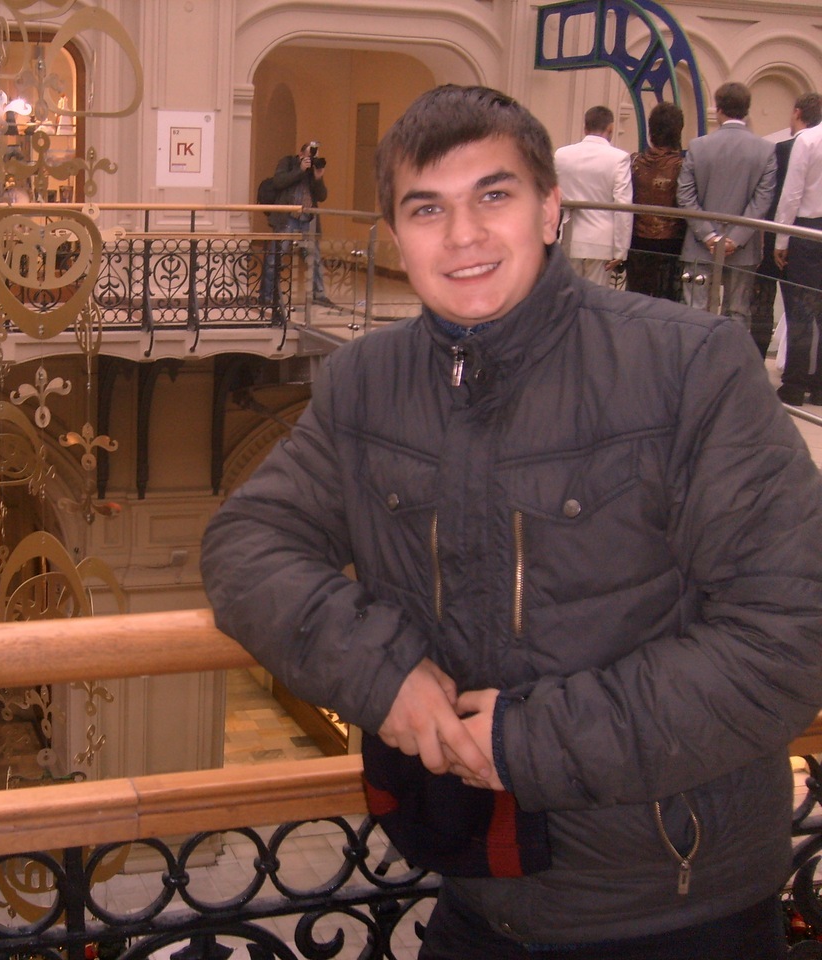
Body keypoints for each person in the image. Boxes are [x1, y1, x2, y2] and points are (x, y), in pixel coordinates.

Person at [201, 84, 822, 958]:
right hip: (478, 897)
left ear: (550, 209)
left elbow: (790, 636)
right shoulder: (365, 385)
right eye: (428, 209)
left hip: (677, 907)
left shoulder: (688, 368)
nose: (463, 236)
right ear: (396, 236)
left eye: (493, 195)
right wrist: (382, 674)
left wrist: (529, 741)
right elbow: (246, 545)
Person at [677, 81, 777, 334]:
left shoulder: (698, 146)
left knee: (695, 312)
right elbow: (762, 200)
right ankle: (730, 358)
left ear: (718, 109)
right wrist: (735, 238)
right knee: (737, 313)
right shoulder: (765, 150)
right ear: (747, 110)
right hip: (743, 248)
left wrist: (709, 235)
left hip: (699, 244)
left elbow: (685, 196)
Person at [751, 95, 821, 361]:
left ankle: (791, 373)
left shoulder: (797, 144)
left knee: (792, 306)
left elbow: (789, 195)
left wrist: (780, 240)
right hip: (812, 228)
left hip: (794, 230)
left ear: (797, 112)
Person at [773, 94, 822, 405]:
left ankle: (794, 384)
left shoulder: (808, 140)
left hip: (806, 231)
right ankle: (820, 388)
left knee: (801, 310)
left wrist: (781, 239)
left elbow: (792, 194)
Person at [553, 105, 632, 286]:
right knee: (595, 296)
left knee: (570, 292)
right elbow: (623, 207)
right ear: (611, 128)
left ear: (585, 127)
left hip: (569, 236)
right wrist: (621, 250)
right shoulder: (619, 158)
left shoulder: (562, 155)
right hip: (601, 241)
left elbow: (553, 195)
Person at [259, 142, 334, 308]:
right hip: (287, 218)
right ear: (300, 154)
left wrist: (318, 177)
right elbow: (279, 182)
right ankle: (266, 295)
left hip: (308, 220)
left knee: (314, 258)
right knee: (275, 257)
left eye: (314, 156)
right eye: (309, 155)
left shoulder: (313, 170)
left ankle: (318, 294)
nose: (311, 159)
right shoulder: (288, 162)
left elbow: (322, 196)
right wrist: (300, 170)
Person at [626, 101, 687, 301]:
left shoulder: (634, 162)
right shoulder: (683, 166)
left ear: (651, 130)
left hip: (637, 241)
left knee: (636, 301)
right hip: (671, 244)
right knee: (665, 302)